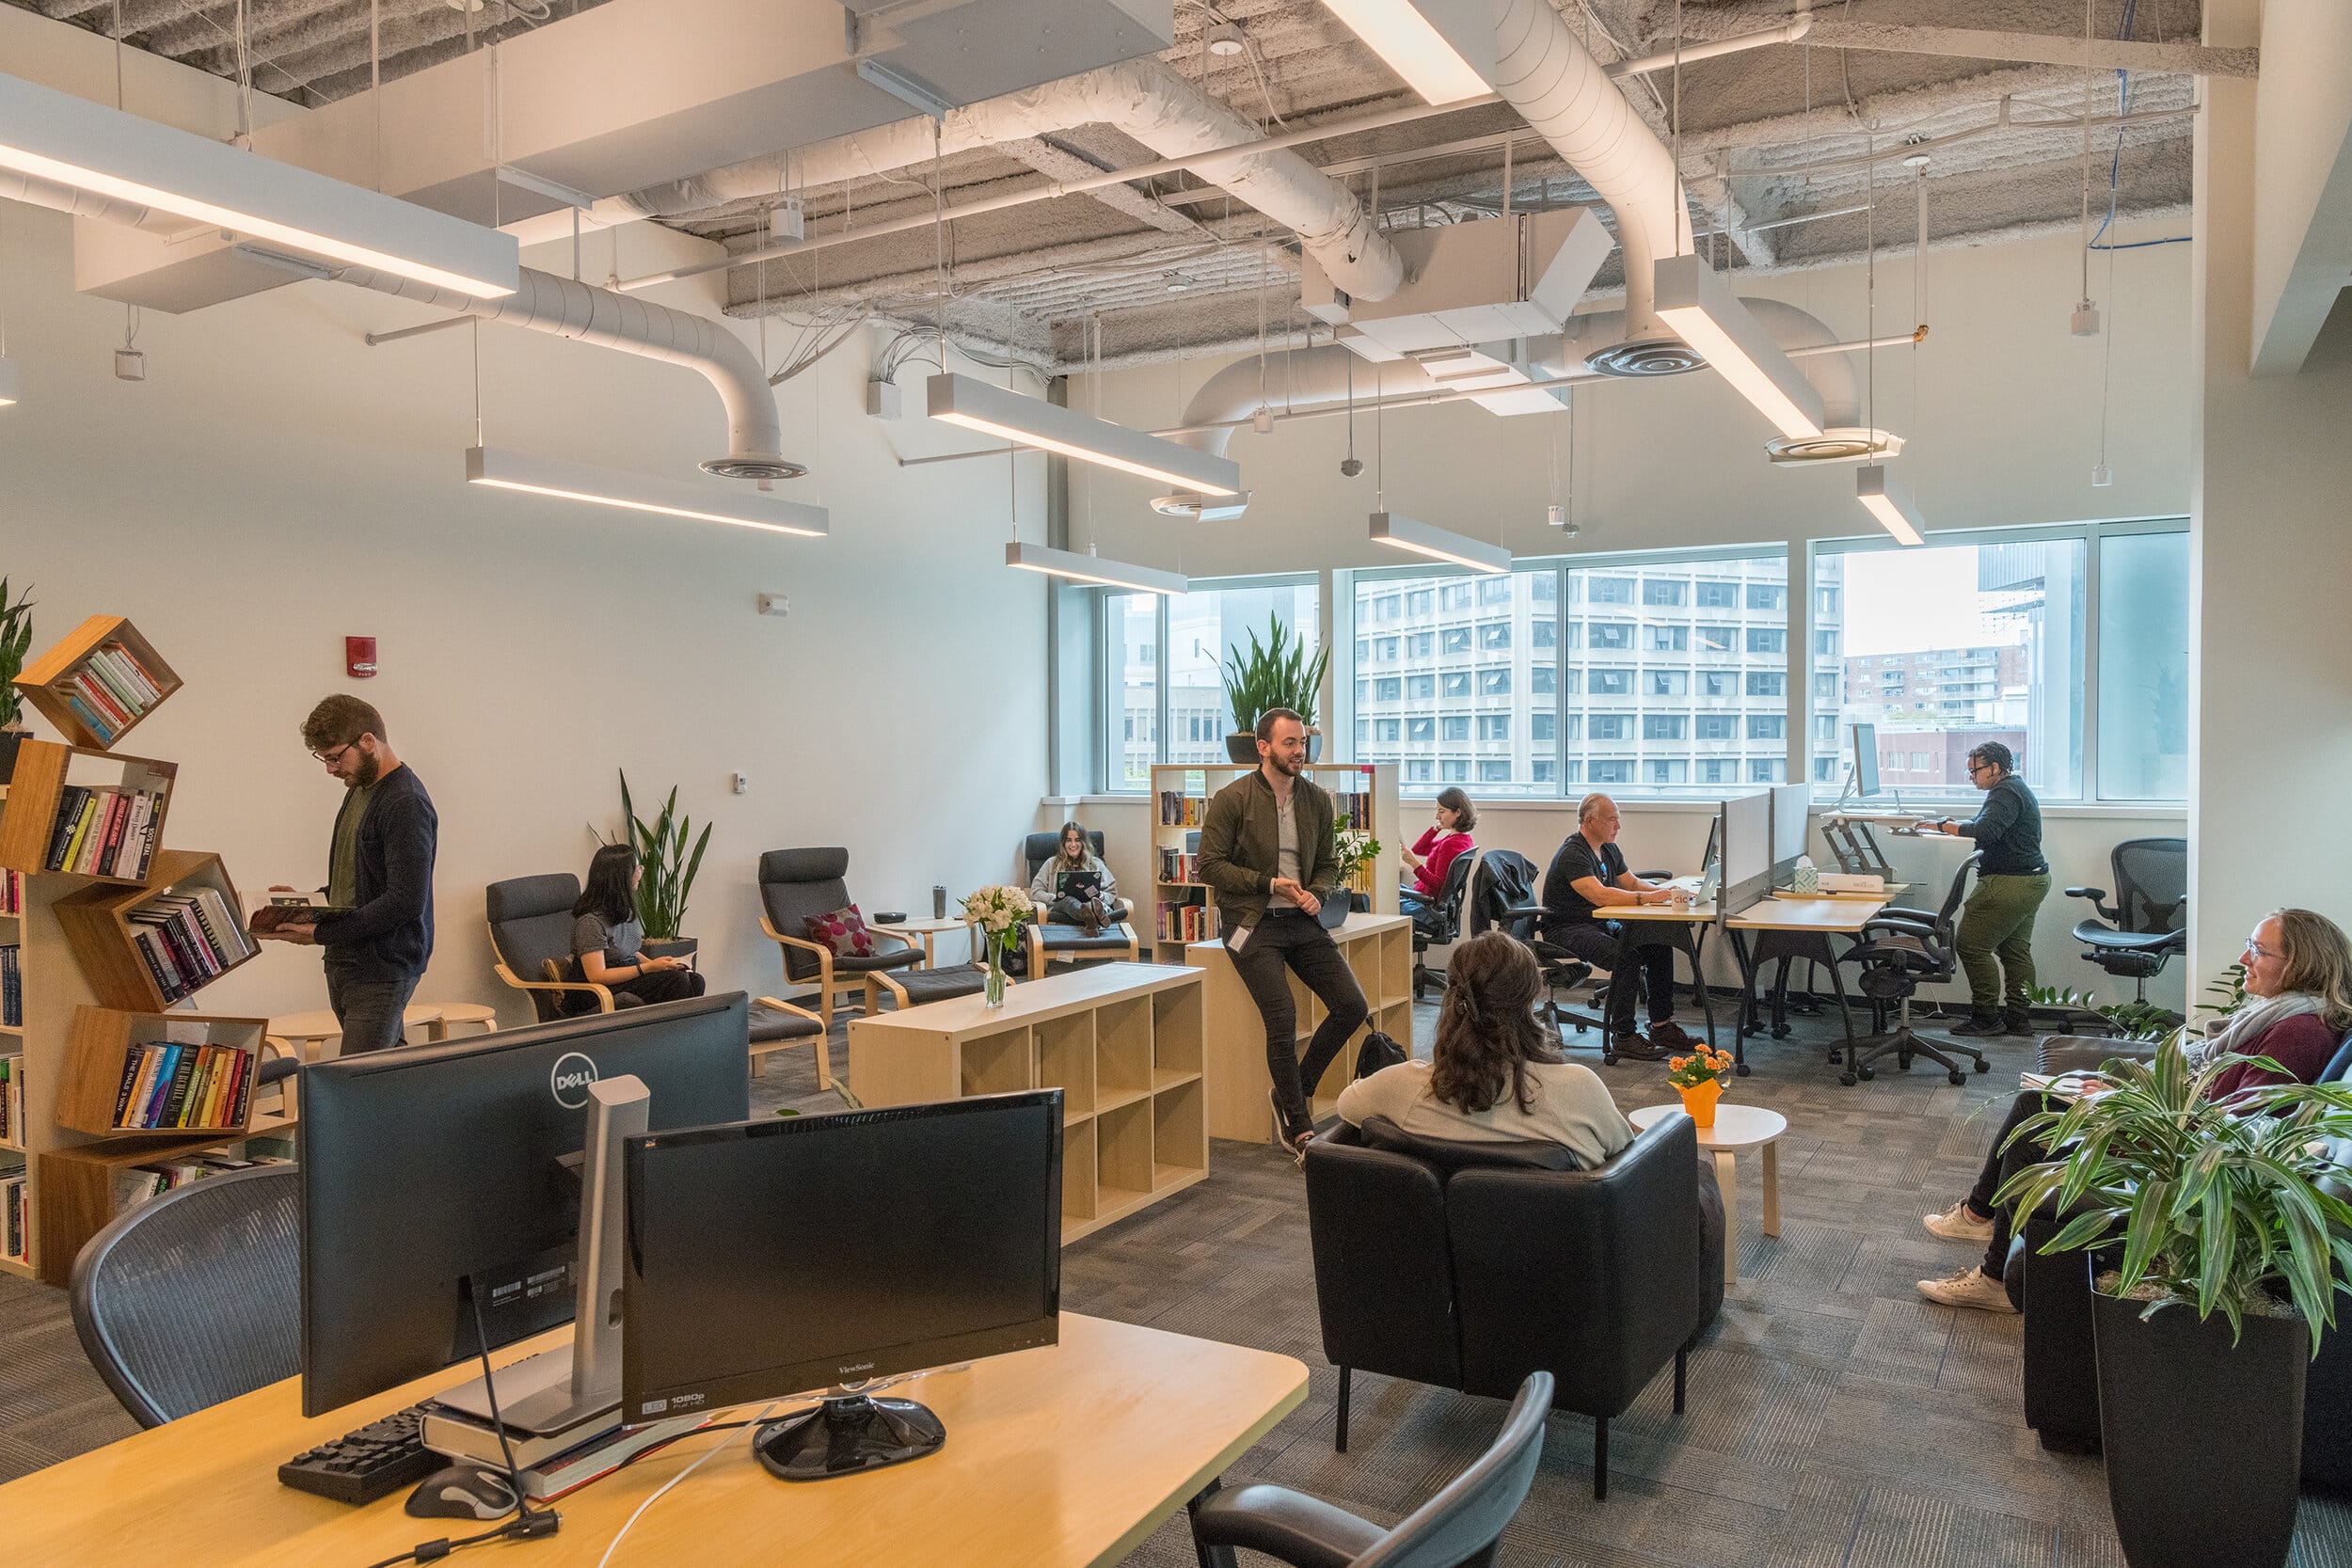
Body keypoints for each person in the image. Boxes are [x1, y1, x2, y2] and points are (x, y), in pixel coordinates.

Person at [1916, 906, 2352, 1313]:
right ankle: (1981, 1215)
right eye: (2248, 945)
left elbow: (2239, 1125)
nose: (2243, 958)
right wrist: (2123, 1090)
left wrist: (2127, 1107)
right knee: (2039, 1102)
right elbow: (2211, 1089)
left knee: (2037, 1115)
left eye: (2258, 950)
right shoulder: (2280, 1015)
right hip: (2178, 1129)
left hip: (2187, 1156)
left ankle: (1993, 1273)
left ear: (2302, 964)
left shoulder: (2299, 1033)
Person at [1198, 707, 1368, 1165]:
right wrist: (1268, 883)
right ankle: (1298, 1123)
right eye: (1289, 742)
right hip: (1251, 922)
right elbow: (1208, 866)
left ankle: (1293, 1089)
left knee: (1352, 1006)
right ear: (1264, 747)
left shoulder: (1316, 800)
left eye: (1302, 742)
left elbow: (1328, 863)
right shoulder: (1232, 799)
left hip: (1301, 921)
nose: (1299, 751)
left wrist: (1316, 892)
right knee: (1283, 1016)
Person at [1337, 931, 1634, 1167]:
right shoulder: (1577, 1089)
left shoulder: (1399, 1089)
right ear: (1530, 1001)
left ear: (1452, 999)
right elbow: (1625, 1156)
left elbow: (1346, 1106)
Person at [253, 696, 437, 1054]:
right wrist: (305, 905)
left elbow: (405, 901)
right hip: (346, 961)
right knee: (386, 1072)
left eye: (336, 757)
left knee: (355, 1077)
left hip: (381, 967)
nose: (330, 769)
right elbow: (356, 883)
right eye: (324, 759)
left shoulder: (405, 802)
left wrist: (322, 933)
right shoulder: (359, 792)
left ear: (368, 741)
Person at [1537, 793, 1693, 1059]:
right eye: (1612, 820)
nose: (1618, 826)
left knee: (1657, 945)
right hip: (1567, 928)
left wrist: (1667, 892)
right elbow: (1600, 895)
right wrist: (1650, 898)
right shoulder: (1573, 854)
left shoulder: (1608, 848)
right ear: (1590, 821)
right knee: (1626, 958)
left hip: (1598, 923)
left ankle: (1661, 1026)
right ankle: (1623, 1036)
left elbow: (1631, 883)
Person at [1924, 741, 2049, 1037]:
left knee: (1971, 946)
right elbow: (1988, 824)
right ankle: (2018, 1019)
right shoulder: (2014, 788)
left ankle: (1986, 1017)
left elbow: (1986, 831)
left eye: (1975, 771)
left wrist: (1942, 826)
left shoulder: (2004, 792)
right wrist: (1957, 824)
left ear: (1994, 767)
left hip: (2009, 883)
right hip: (2032, 880)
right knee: (2015, 950)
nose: (1971, 777)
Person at [571, 843, 705, 1010]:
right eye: (637, 868)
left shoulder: (624, 912)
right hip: (596, 992)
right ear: (622, 877)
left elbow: (629, 952)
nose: (641, 871)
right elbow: (597, 975)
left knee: (695, 980)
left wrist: (659, 965)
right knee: (676, 981)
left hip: (625, 978)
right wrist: (648, 968)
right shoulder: (590, 922)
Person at [1398, 787, 1476, 924]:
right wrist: (1437, 828)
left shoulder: (1451, 845)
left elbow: (1438, 885)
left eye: (1441, 811)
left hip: (1424, 907)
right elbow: (1419, 848)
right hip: (1422, 899)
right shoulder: (1461, 839)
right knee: (1382, 890)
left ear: (1458, 812)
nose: (1437, 816)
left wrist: (1413, 863)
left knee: (1369, 896)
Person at [1029, 821, 1118, 935]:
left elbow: (1112, 891)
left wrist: (1102, 896)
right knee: (1068, 900)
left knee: (1091, 904)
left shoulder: (1096, 864)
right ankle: (1093, 917)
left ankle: (1091, 920)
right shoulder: (1051, 863)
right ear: (1063, 843)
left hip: (1089, 902)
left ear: (1083, 842)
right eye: (1068, 840)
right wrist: (1055, 898)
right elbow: (1035, 892)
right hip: (1062, 909)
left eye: (1077, 840)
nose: (1073, 844)